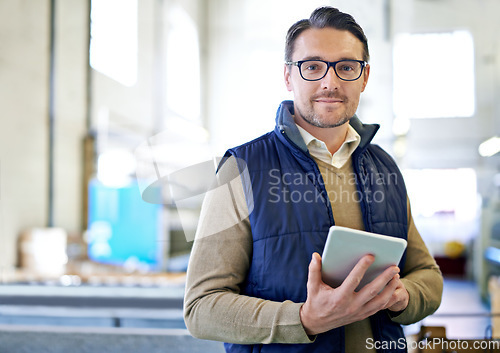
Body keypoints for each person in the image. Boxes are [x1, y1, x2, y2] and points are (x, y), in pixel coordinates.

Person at [184, 6, 443, 353]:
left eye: (346, 67)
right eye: (312, 66)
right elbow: (201, 308)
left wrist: (403, 296)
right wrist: (304, 319)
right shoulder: (241, 168)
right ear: (289, 77)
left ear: (364, 77)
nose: (330, 82)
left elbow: (428, 275)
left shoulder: (385, 168)